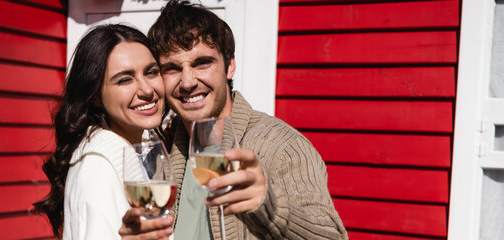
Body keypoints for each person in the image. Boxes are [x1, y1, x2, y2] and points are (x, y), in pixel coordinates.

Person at [119, 1, 348, 239]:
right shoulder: (162, 150)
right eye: (172, 69)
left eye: (202, 63)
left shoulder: (283, 147)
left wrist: (270, 207)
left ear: (230, 66)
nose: (187, 82)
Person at [33, 24, 170, 239]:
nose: (146, 90)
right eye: (125, 80)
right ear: (95, 95)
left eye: (151, 72)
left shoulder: (144, 150)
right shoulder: (97, 168)